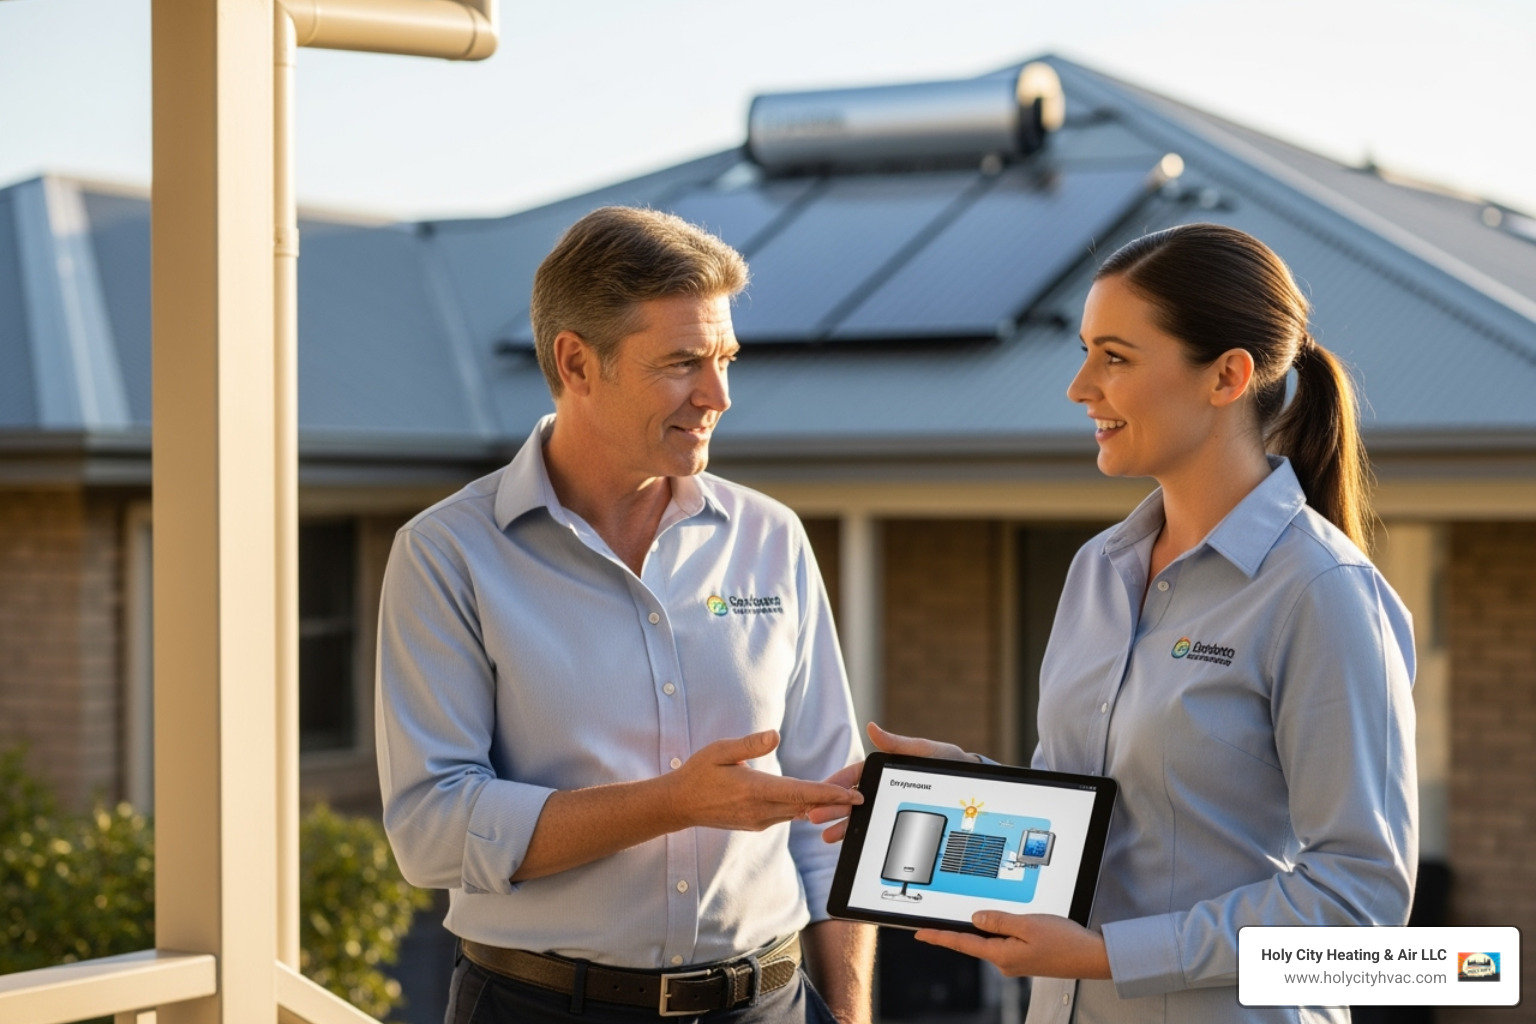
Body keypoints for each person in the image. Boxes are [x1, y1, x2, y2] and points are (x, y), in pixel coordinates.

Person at [815, 223, 1417, 1023]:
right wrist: (961, 785)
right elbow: (1114, 813)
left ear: (1227, 376)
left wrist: (1107, 956)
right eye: (1085, 350)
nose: (1079, 386)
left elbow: (1360, 905)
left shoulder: (1323, 593)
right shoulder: (1099, 570)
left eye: (1116, 357)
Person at [376, 206, 874, 1024]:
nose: (717, 395)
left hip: (769, 1006)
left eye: (725, 359)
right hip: (539, 1009)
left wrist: (849, 1017)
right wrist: (673, 802)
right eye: (683, 363)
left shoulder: (770, 536)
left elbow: (831, 819)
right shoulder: (447, 554)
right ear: (577, 362)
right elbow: (431, 830)